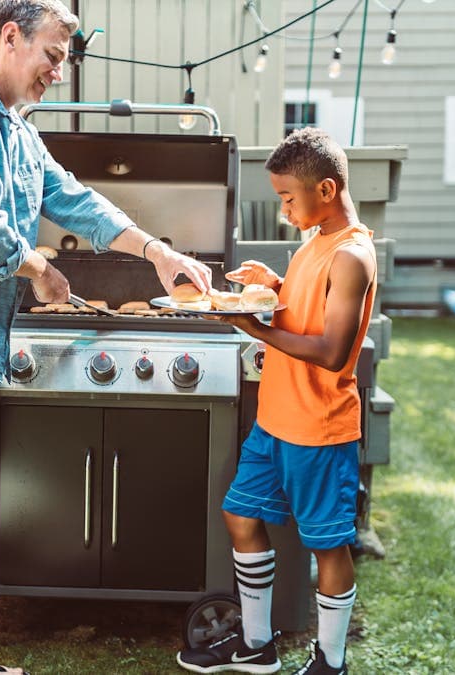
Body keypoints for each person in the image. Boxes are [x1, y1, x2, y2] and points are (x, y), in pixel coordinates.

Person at [0, 1, 212, 673]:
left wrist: (157, 252)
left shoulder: (18, 130)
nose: (59, 70)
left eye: (65, 60)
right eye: (52, 55)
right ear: (9, 37)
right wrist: (42, 270)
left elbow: (76, 200)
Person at [175, 128, 376, 675]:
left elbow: (333, 352)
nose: (284, 209)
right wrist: (276, 285)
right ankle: (257, 645)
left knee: (327, 545)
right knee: (240, 515)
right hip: (276, 419)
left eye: (288, 198)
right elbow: (309, 304)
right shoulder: (315, 243)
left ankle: (330, 661)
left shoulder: (352, 256)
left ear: (327, 189)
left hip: (320, 429)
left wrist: (255, 329)